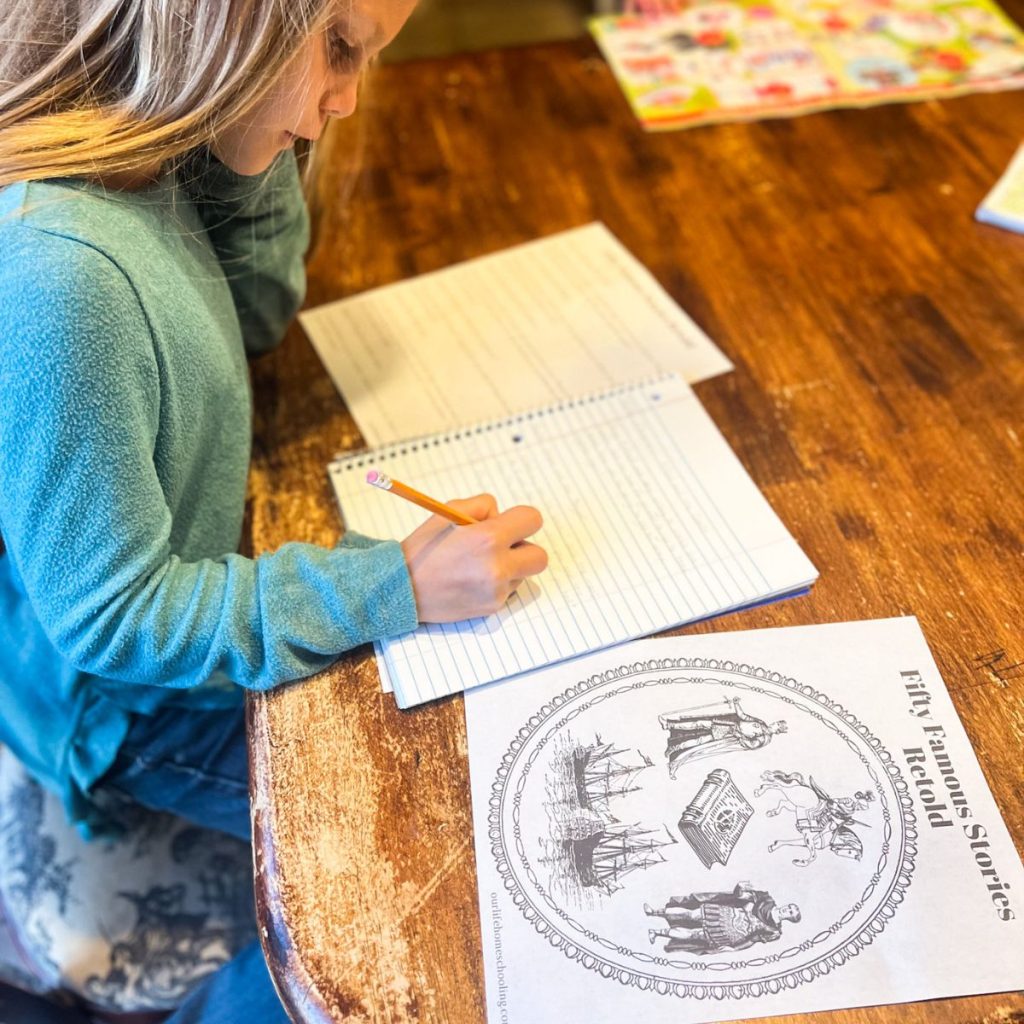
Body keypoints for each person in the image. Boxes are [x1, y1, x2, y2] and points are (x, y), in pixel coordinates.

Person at [0, 1, 548, 1020]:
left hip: (190, 609)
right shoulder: (60, 277)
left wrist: (253, 145)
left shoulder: (151, 155)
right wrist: (393, 585)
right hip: (128, 706)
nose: (348, 100)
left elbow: (253, 316)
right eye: (339, 47)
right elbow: (116, 621)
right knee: (439, 863)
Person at [644, 883, 800, 954]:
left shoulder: (774, 932)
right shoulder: (767, 900)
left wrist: (733, 949)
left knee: (693, 934)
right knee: (691, 914)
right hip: (725, 914)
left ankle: (656, 932)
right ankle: (654, 912)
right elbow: (740, 896)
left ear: (790, 918)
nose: (788, 910)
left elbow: (753, 940)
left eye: (791, 913)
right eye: (790, 907)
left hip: (730, 934)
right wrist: (740, 888)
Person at [658, 696, 787, 778]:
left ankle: (675, 748)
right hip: (726, 724)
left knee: (699, 741)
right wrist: (736, 704)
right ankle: (669, 725)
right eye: (776, 722)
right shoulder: (761, 723)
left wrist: (739, 736)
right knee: (698, 723)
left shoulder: (765, 738)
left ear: (777, 731)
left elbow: (751, 745)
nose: (773, 724)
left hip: (727, 733)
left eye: (776, 725)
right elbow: (743, 716)